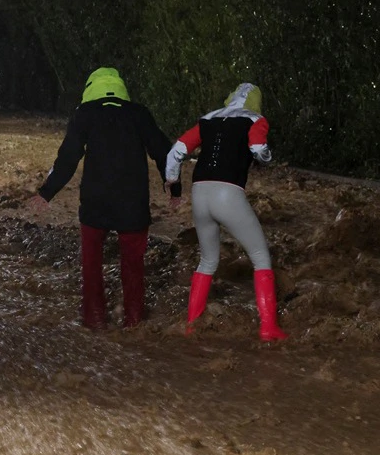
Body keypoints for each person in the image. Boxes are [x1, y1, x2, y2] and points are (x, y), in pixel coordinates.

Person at [28, 67, 180, 330]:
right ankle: (133, 322)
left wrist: (46, 193)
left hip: (95, 202)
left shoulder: (84, 115)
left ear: (90, 90)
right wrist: (174, 189)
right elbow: (164, 152)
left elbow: (67, 158)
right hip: (133, 202)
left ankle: (94, 319)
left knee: (91, 265)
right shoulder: (139, 114)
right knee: (133, 265)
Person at [164, 83, 288, 342]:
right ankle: (268, 328)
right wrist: (267, 158)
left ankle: (191, 325)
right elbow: (257, 149)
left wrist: (172, 180)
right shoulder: (256, 120)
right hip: (228, 194)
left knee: (208, 260)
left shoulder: (208, 119)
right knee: (260, 257)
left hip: (200, 194)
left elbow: (176, 152)